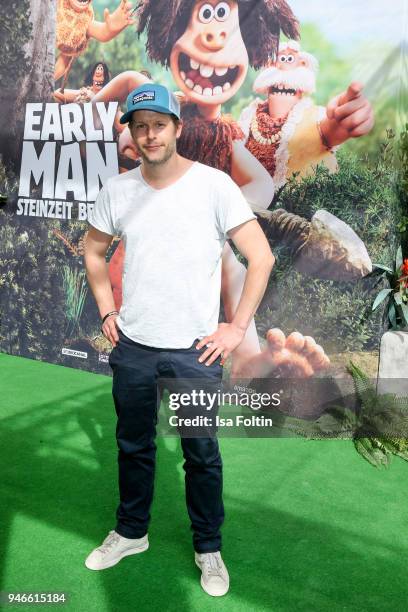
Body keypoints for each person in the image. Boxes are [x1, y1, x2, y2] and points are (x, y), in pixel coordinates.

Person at [83, 83, 275, 597]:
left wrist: (235, 327)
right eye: (139, 126)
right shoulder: (118, 190)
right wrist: (107, 308)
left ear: (176, 128)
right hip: (135, 347)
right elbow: (94, 251)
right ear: (132, 132)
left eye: (158, 125)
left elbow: (261, 258)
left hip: (194, 351)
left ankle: (208, 548)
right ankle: (130, 532)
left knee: (201, 454)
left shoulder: (214, 186)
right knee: (133, 445)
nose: (149, 135)